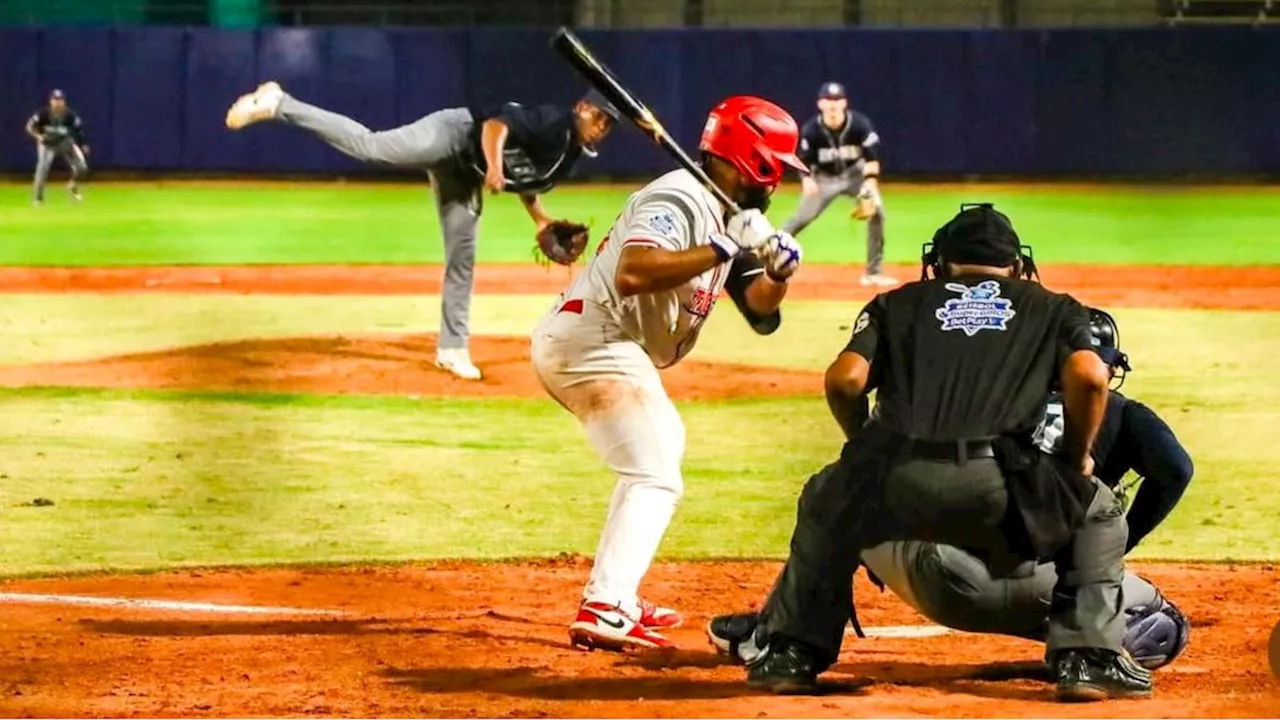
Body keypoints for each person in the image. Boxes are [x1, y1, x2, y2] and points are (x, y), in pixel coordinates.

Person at [707, 204, 1154, 701]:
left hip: (896, 481)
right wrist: (1075, 461)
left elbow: (845, 380)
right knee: (1096, 510)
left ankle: (791, 654)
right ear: (1017, 265)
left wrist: (863, 450)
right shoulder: (1054, 307)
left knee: (824, 498)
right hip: (999, 486)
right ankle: (1087, 658)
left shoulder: (896, 303)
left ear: (939, 264)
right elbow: (1091, 378)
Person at [710, 308, 1192, 673]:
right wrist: (1115, 546)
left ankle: (774, 634)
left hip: (933, 573)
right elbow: (1176, 470)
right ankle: (1083, 654)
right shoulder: (1125, 413)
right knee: (1160, 622)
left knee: (845, 499)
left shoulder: (984, 398)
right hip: (1047, 585)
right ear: (1105, 368)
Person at [530, 95, 806, 651]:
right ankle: (605, 605)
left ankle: (615, 595)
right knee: (654, 471)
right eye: (778, 167)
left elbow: (760, 312)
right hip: (593, 339)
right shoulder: (679, 197)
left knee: (657, 453)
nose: (781, 183)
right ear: (758, 163)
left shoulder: (726, 210)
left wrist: (775, 271)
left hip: (606, 343)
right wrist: (724, 245)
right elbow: (634, 272)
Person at [225, 82, 619, 380]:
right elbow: (496, 128)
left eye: (608, 123)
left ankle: (452, 348)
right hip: (454, 133)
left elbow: (524, 175)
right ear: (581, 108)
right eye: (598, 115)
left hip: (465, 172)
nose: (601, 126)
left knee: (462, 257)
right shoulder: (555, 123)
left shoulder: (567, 154)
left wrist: (541, 219)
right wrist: (495, 166)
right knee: (372, 147)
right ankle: (280, 103)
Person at [783, 82, 893, 287]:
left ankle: (873, 272)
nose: (832, 105)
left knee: (877, 212)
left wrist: (870, 183)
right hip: (822, 179)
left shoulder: (859, 124)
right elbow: (803, 161)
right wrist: (806, 179)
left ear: (844, 103)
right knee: (800, 219)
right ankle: (767, 261)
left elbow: (871, 157)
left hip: (855, 176)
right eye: (828, 100)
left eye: (836, 100)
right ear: (820, 104)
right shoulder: (811, 130)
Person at [26, 89, 89, 206]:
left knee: (82, 167)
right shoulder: (43, 114)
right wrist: (38, 136)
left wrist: (82, 144)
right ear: (51, 101)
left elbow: (78, 129)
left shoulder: (69, 115)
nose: (58, 102)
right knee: (42, 169)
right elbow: (29, 126)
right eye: (55, 100)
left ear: (64, 102)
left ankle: (73, 187)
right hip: (47, 144)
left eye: (60, 100)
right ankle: (38, 198)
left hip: (64, 142)